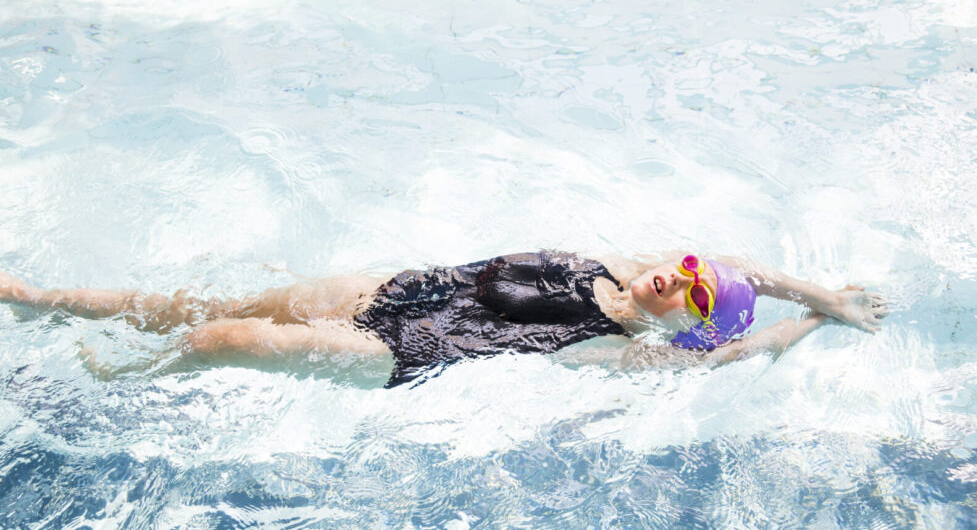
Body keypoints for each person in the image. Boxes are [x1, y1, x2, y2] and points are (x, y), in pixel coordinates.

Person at [0, 250, 888, 386]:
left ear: (689, 321)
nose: (680, 275)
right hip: (398, 288)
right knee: (199, 302)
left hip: (402, 345)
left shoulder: (629, 348)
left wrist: (811, 327)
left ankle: (106, 379)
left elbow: (743, 347)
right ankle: (34, 299)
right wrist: (827, 294)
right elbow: (751, 274)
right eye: (693, 267)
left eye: (695, 291)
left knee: (216, 338)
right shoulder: (624, 264)